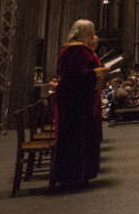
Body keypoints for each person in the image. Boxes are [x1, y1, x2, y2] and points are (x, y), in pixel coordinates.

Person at [51, 19, 109, 190]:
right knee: (78, 138)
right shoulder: (77, 52)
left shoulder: (70, 50)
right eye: (91, 32)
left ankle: (75, 175)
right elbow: (78, 77)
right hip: (77, 103)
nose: (93, 35)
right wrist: (98, 72)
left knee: (74, 138)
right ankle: (76, 176)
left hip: (75, 100)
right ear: (85, 33)